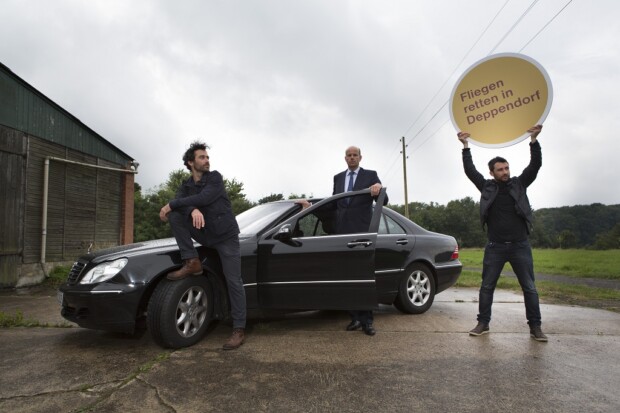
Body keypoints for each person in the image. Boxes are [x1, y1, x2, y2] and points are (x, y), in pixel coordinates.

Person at [457, 125, 548, 342]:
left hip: (520, 246)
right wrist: (465, 146)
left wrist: (533, 141)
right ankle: (483, 323)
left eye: (506, 168)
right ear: (492, 172)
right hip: (495, 247)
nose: (505, 172)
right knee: (487, 286)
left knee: (530, 288)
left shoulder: (519, 184)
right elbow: (471, 171)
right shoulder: (487, 187)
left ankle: (535, 327)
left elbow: (535, 165)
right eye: (500, 169)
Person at [159, 141, 247, 350]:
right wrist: (191, 210)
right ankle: (191, 261)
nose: (207, 160)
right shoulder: (186, 184)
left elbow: (205, 198)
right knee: (176, 215)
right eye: (202, 157)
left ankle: (239, 328)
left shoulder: (215, 177)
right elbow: (185, 200)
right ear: (191, 162)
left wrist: (174, 204)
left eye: (207, 157)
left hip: (226, 237)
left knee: (234, 280)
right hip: (205, 234)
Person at [333, 146, 386, 336]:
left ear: (360, 158)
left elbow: (384, 199)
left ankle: (367, 322)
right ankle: (354, 317)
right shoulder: (338, 178)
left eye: (355, 155)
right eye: (349, 155)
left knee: (363, 278)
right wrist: (309, 206)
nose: (352, 157)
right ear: (345, 158)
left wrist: (378, 189)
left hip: (362, 236)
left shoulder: (371, 175)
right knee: (347, 277)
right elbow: (334, 204)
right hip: (342, 235)